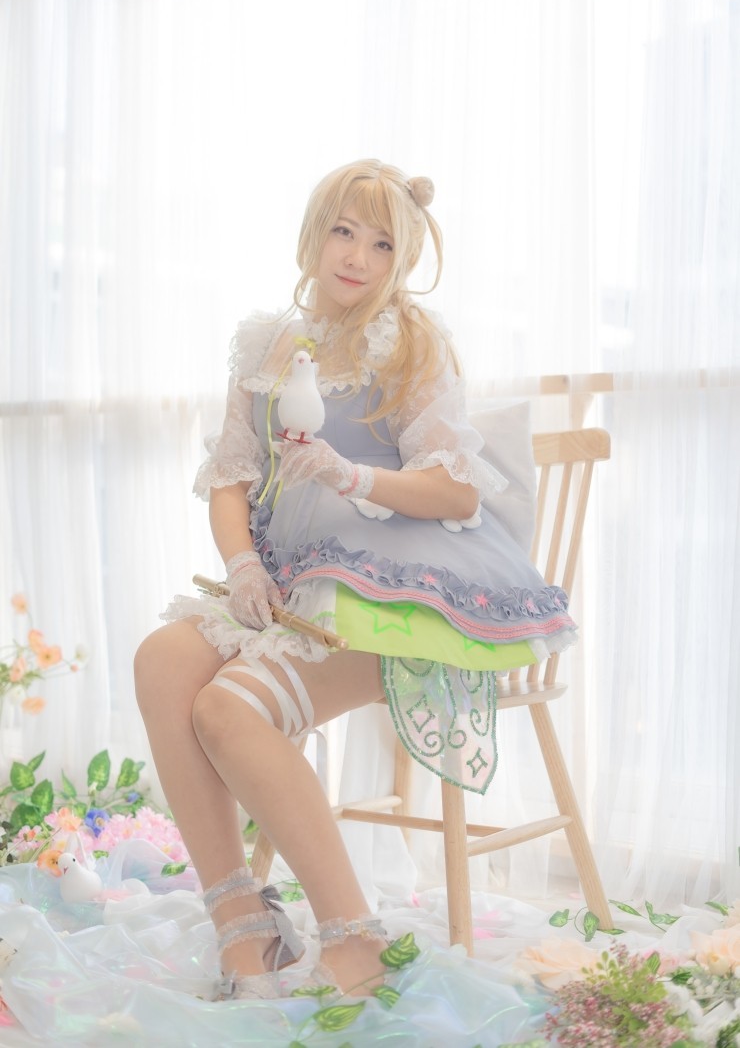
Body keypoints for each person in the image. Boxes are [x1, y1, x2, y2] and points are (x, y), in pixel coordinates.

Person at [133, 158, 577, 1003]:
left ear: (403, 261)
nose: (358, 258)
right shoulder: (267, 343)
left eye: (382, 245)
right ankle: (245, 929)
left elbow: (455, 490)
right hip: (288, 578)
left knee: (229, 708)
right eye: (344, 231)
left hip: (395, 591)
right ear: (314, 233)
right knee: (161, 660)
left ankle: (354, 941)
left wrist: (352, 476)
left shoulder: (410, 341)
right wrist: (241, 565)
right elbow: (232, 476)